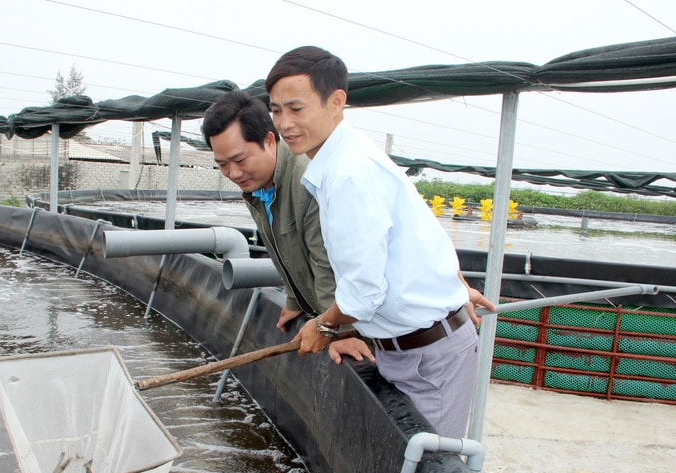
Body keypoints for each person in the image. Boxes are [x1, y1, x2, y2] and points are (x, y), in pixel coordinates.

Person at [265, 46, 495, 438]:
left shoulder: (348, 175)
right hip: (409, 348)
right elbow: (422, 236)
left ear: (336, 102)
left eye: (296, 108)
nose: (285, 123)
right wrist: (451, 287)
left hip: (428, 357)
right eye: (275, 110)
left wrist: (323, 326)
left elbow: (363, 293)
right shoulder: (346, 160)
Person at [201, 90, 370, 361]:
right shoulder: (258, 187)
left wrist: (337, 331)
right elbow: (281, 247)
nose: (233, 173)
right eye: (222, 164)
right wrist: (295, 299)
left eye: (241, 160)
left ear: (269, 141)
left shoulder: (308, 180)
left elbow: (326, 261)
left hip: (363, 323)